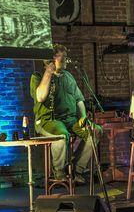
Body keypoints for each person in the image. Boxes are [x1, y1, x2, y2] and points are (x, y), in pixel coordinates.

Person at [30, 44, 102, 183]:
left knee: (96, 131)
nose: (65, 59)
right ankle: (59, 172)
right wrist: (48, 73)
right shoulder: (38, 76)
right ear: (51, 59)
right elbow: (40, 97)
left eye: (65, 56)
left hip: (71, 119)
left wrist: (83, 117)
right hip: (48, 121)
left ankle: (77, 169)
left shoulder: (68, 76)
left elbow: (79, 99)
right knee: (62, 134)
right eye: (61, 56)